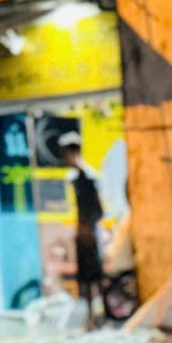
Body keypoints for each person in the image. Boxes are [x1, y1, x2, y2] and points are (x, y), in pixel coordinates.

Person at [59, 135, 106, 320]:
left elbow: (97, 209)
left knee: (96, 277)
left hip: (91, 234)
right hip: (82, 233)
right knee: (85, 280)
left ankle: (102, 316)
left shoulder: (88, 178)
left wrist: (89, 228)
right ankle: (90, 318)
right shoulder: (75, 178)